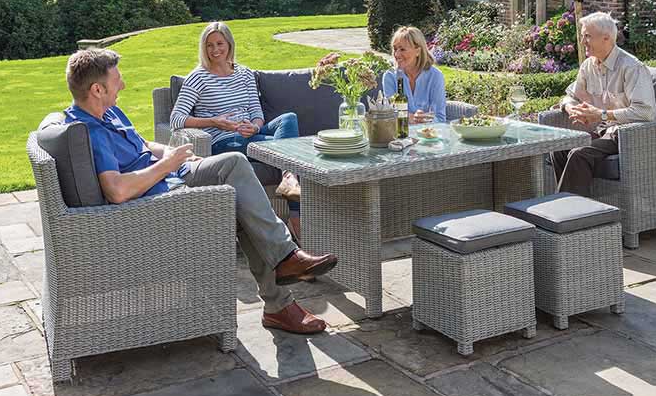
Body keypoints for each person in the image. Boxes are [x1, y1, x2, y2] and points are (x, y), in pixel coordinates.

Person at [63, 47, 337, 334]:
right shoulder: (90, 132)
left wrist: (173, 153)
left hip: (174, 174)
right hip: (160, 196)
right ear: (97, 89)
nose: (123, 84)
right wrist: (167, 165)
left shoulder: (110, 113)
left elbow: (143, 146)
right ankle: (282, 286)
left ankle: (283, 281)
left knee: (238, 177)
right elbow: (117, 191)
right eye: (117, 79)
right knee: (241, 193)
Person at [170, 22, 302, 241]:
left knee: (289, 119)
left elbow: (256, 113)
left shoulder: (245, 74)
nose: (215, 50)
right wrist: (215, 121)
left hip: (252, 134)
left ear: (229, 44)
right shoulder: (198, 77)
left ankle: (288, 177)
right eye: (209, 45)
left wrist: (256, 126)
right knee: (292, 150)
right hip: (225, 140)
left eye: (220, 43)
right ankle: (295, 214)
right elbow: (177, 119)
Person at [553, 12, 656, 197]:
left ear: (606, 38)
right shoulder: (588, 66)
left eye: (587, 36)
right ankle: (572, 206)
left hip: (630, 134)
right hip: (605, 131)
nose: (583, 41)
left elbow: (646, 112)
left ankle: (571, 215)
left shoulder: (631, 67)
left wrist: (601, 114)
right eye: (582, 35)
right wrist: (570, 107)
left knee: (579, 154)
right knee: (560, 149)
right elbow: (569, 96)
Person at [381, 26, 447, 124]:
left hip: (427, 136)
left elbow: (440, 118)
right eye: (395, 49)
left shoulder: (435, 76)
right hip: (398, 136)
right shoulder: (390, 76)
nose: (397, 54)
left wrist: (424, 120)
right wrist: (410, 118)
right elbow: (390, 114)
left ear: (418, 51)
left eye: (402, 49)